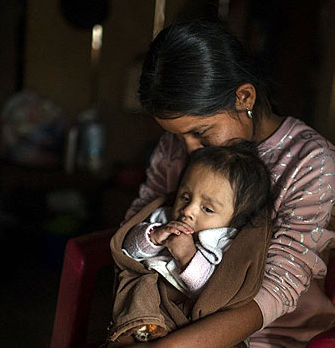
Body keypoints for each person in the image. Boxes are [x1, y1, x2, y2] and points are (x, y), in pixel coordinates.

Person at [117, 20, 335, 348]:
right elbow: (140, 220)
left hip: (266, 333)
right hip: (172, 315)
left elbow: (278, 288)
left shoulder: (309, 161)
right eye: (175, 135)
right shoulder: (176, 148)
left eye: (200, 132)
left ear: (244, 97)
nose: (188, 150)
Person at [107, 143, 273, 345]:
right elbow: (129, 252)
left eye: (207, 209)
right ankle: (141, 328)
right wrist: (154, 236)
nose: (188, 210)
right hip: (151, 305)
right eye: (185, 197)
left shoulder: (225, 242)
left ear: (236, 219)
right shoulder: (164, 218)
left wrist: (187, 255)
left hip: (188, 322)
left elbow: (212, 293)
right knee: (138, 288)